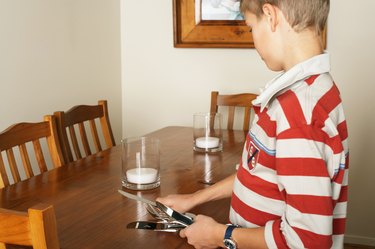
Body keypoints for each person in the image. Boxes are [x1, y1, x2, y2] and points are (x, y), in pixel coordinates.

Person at [157, 0, 349, 248]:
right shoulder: (311, 91)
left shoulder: (298, 113)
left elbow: (308, 241)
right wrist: (194, 198)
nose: (252, 39)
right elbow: (254, 172)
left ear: (270, 16)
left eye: (250, 27)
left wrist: (219, 235)